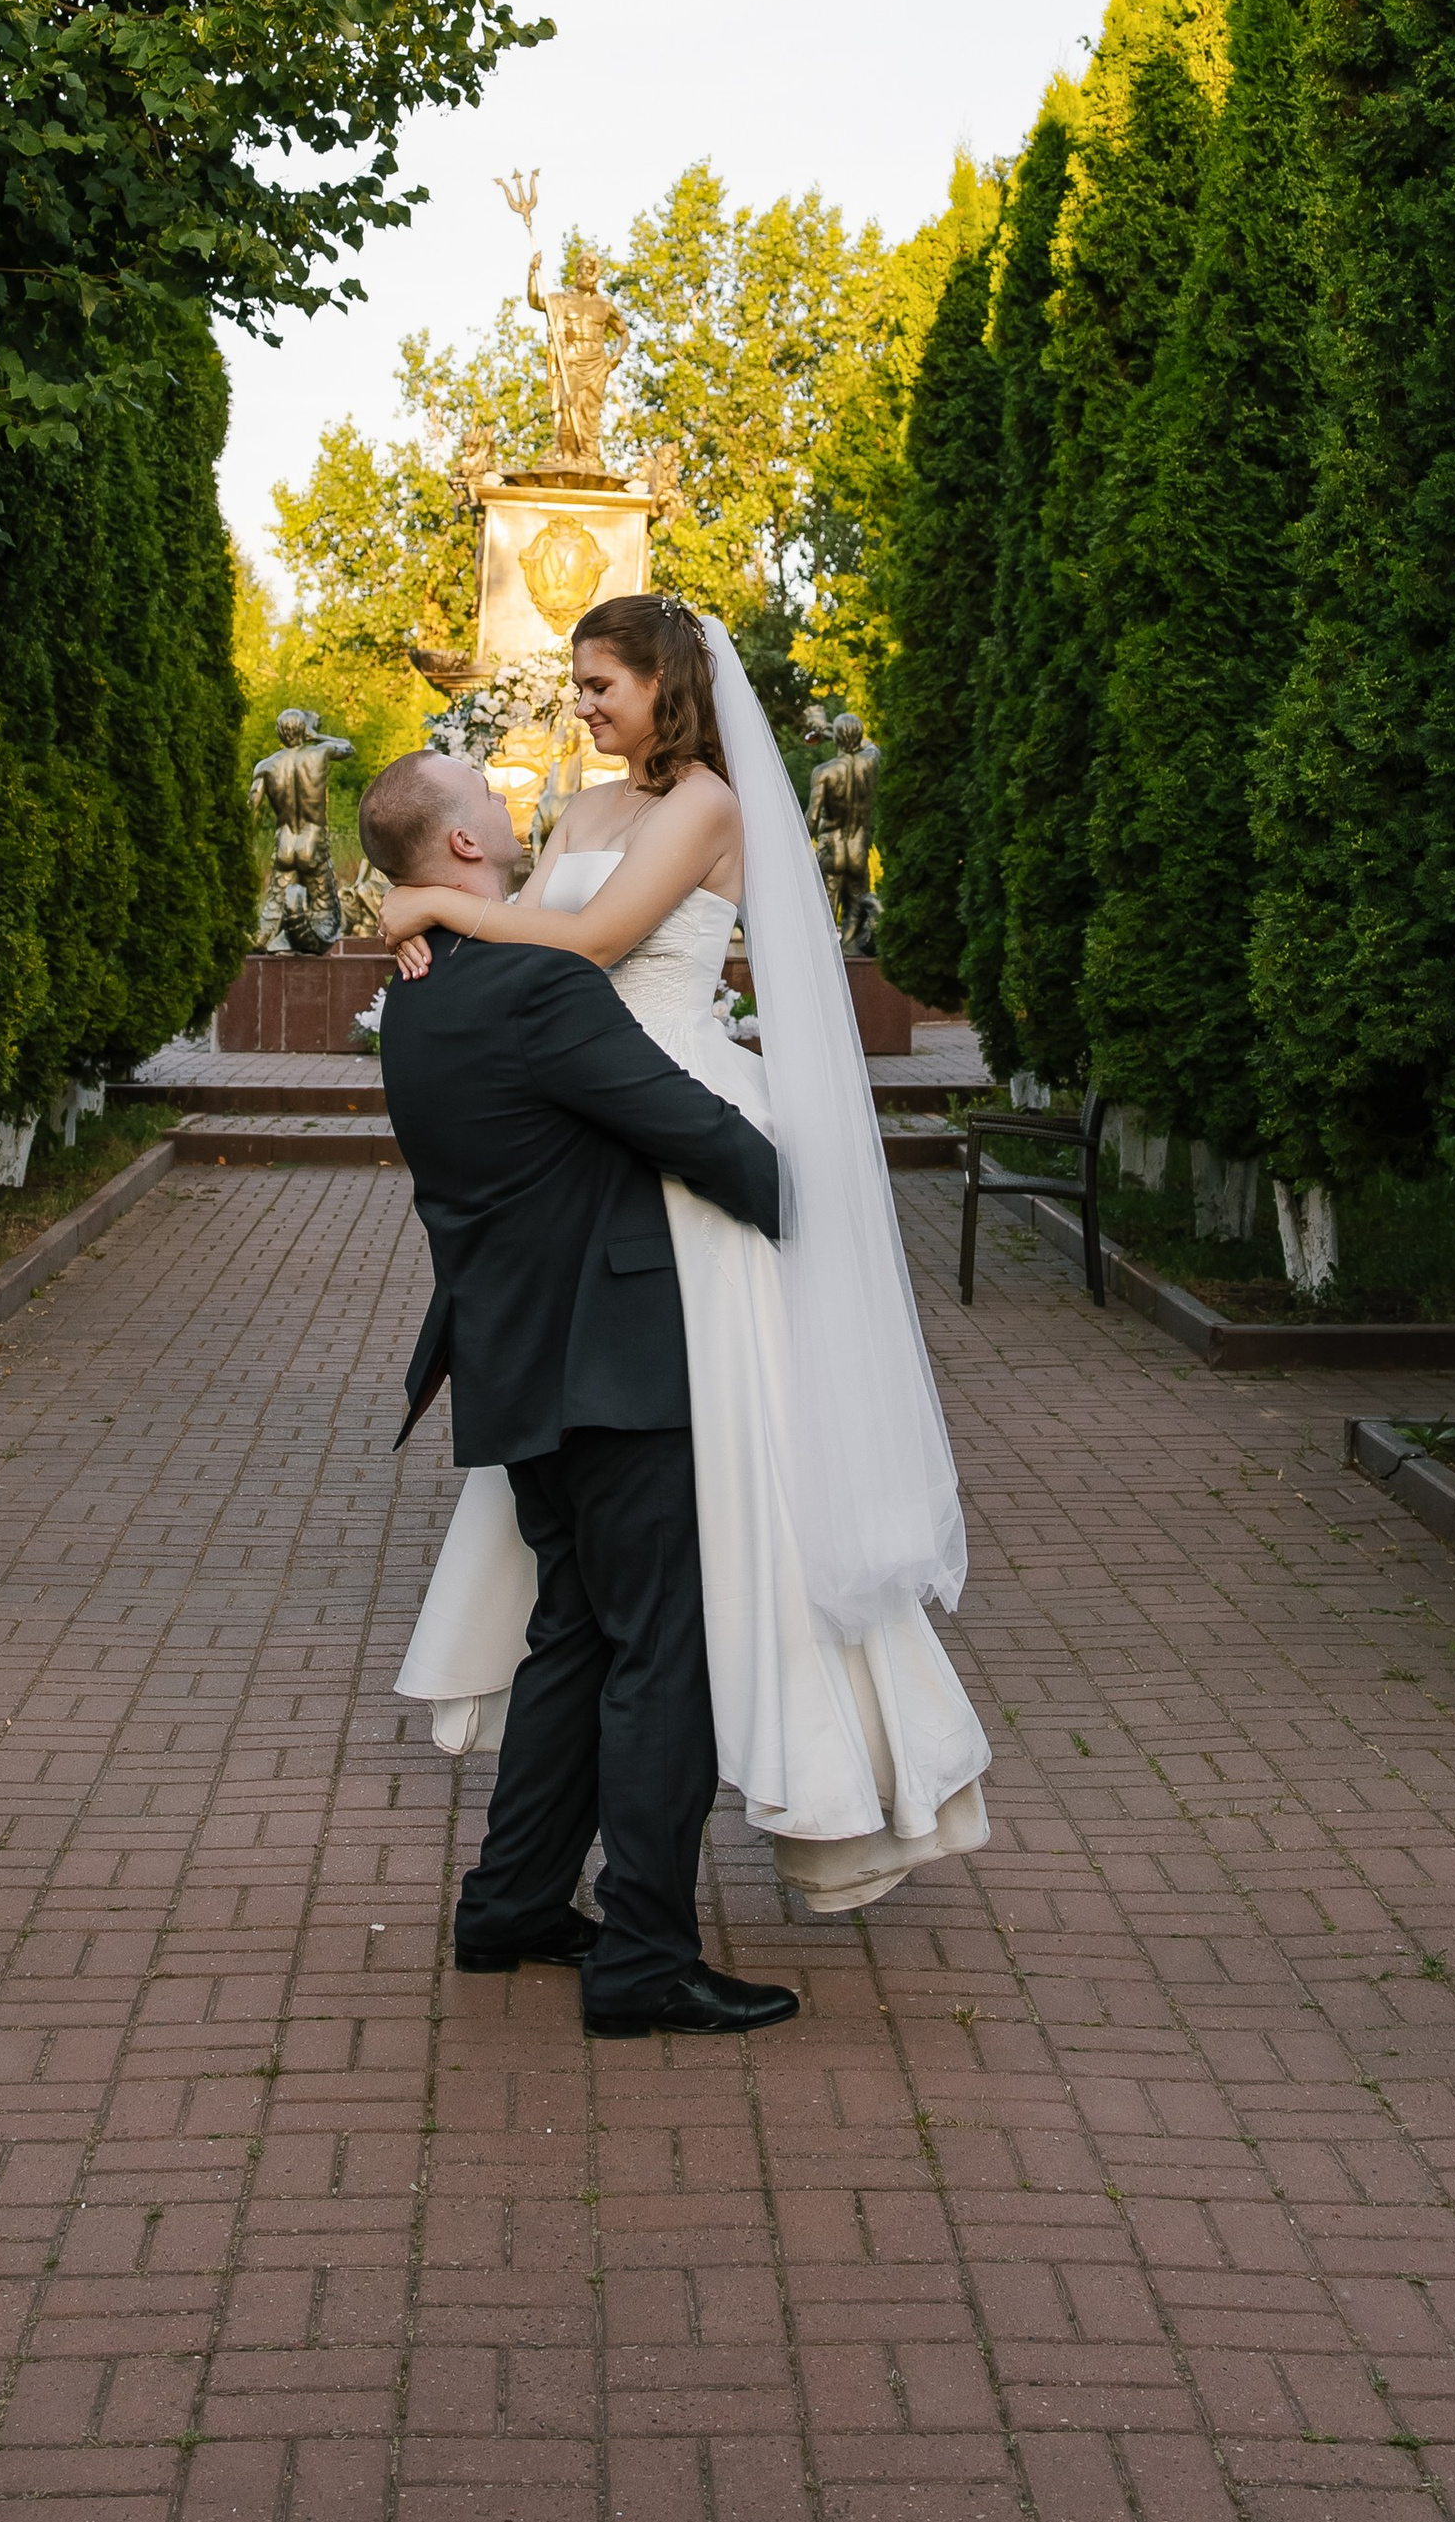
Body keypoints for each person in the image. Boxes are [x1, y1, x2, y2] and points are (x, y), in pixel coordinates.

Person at [375, 593, 991, 1920]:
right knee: (611, 1541)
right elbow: (534, 946)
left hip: (683, 1115)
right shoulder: (586, 811)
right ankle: (574, 1882)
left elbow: (590, 945)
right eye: (579, 682)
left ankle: (793, 1765)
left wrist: (429, 899)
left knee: (742, 1466)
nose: (584, 702)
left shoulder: (708, 803)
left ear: (669, 682)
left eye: (603, 681)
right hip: (593, 1124)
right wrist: (427, 920)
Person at [360, 740, 803, 2042]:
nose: (512, 805)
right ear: (458, 849)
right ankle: (646, 1955)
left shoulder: (422, 996)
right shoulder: (529, 989)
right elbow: (686, 1127)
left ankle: (511, 1905)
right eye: (488, 798)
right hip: (611, 1363)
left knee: (576, 1630)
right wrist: (822, 1212)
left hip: (510, 1359)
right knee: (664, 1644)